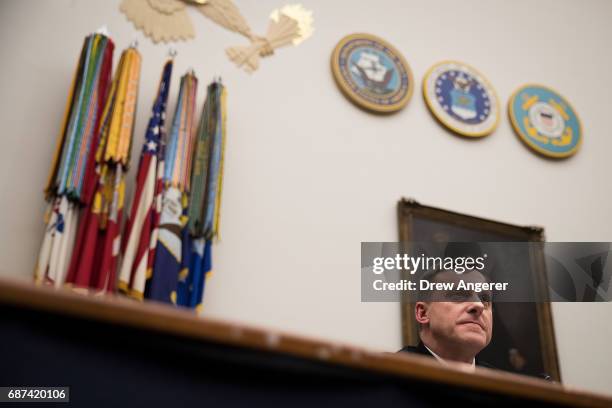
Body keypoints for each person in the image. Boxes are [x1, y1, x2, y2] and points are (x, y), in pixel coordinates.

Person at [399, 268, 494, 371]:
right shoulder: (388, 374)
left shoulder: (501, 383)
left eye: (484, 300)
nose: (479, 305)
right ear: (423, 313)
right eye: (458, 295)